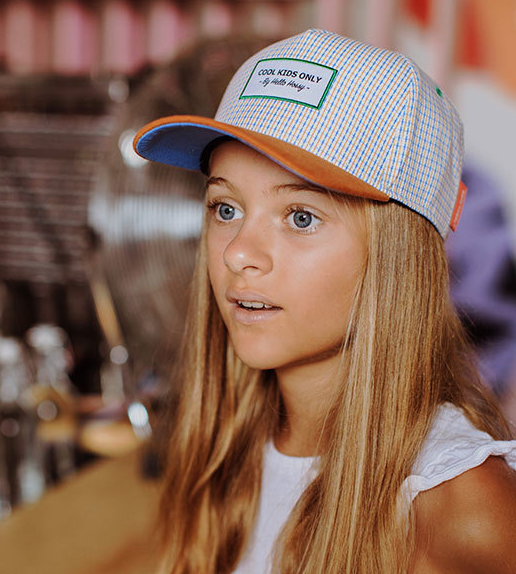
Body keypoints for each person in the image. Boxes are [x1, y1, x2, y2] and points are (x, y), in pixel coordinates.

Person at [133, 29, 516, 574]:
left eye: (301, 217)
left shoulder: (463, 505)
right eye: (225, 208)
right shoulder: (223, 448)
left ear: (397, 255)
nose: (238, 253)